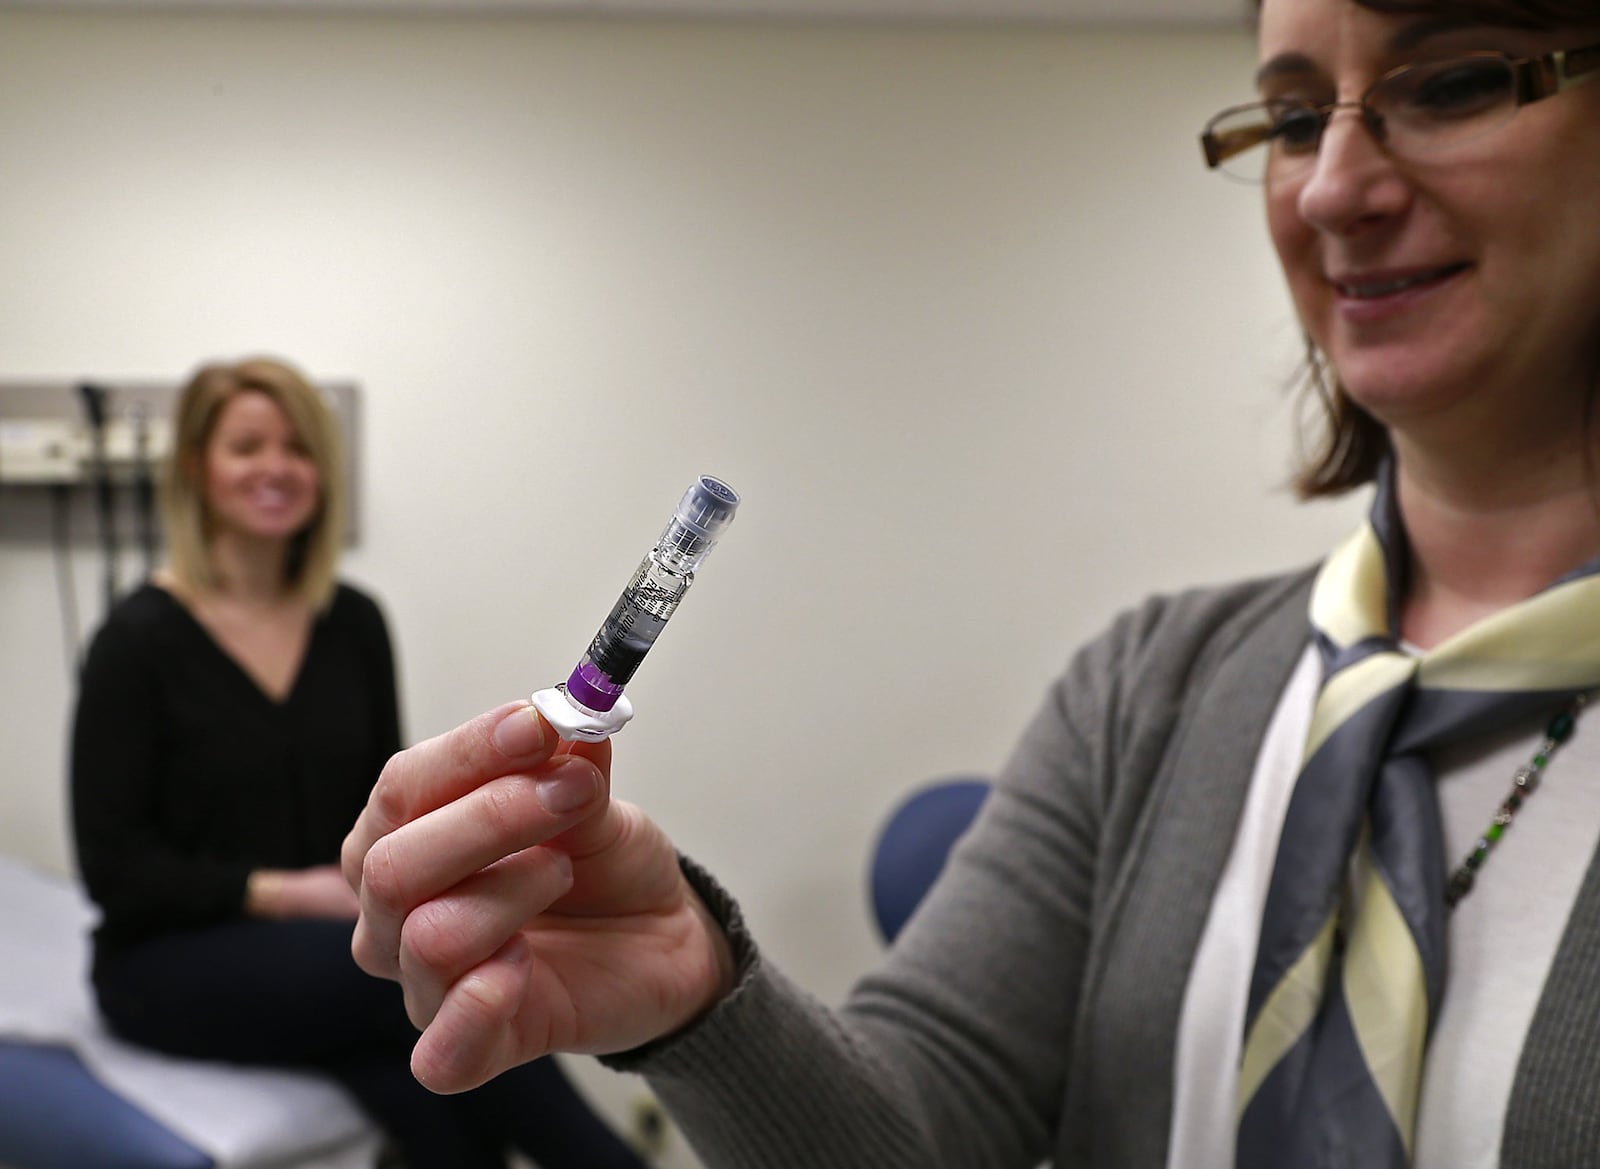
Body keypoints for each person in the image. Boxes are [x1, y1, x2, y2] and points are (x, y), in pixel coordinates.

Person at [339, 0, 1600, 1166]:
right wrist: (696, 994)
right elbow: (927, 1119)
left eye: (1452, 82)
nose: (1331, 188)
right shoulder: (1150, 690)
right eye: (1285, 118)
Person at [71, 357, 648, 1169]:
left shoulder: (353, 624)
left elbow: (385, 802)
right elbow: (114, 868)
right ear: (198, 468)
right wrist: (288, 891)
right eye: (247, 446)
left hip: (332, 946)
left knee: (442, 1110)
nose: (277, 466)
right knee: (411, 981)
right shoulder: (135, 642)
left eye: (298, 447)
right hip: (169, 958)